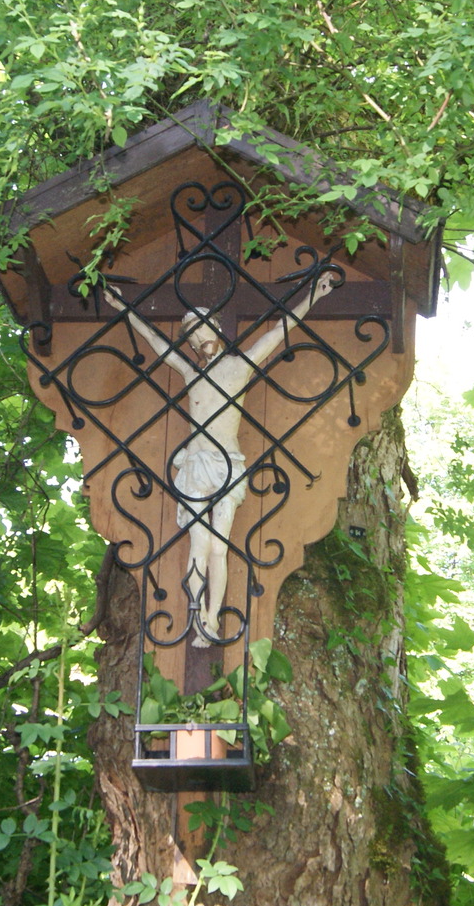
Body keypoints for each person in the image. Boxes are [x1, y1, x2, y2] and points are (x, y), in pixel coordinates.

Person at [103, 267, 339, 641]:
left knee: (219, 547)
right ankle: (197, 618)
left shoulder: (238, 366)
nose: (198, 337)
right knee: (198, 544)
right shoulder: (190, 373)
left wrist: (315, 295)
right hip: (195, 466)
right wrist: (123, 307)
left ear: (216, 329)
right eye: (192, 333)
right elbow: (157, 344)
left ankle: (213, 618)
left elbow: (279, 332)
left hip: (227, 465)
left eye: (202, 327)